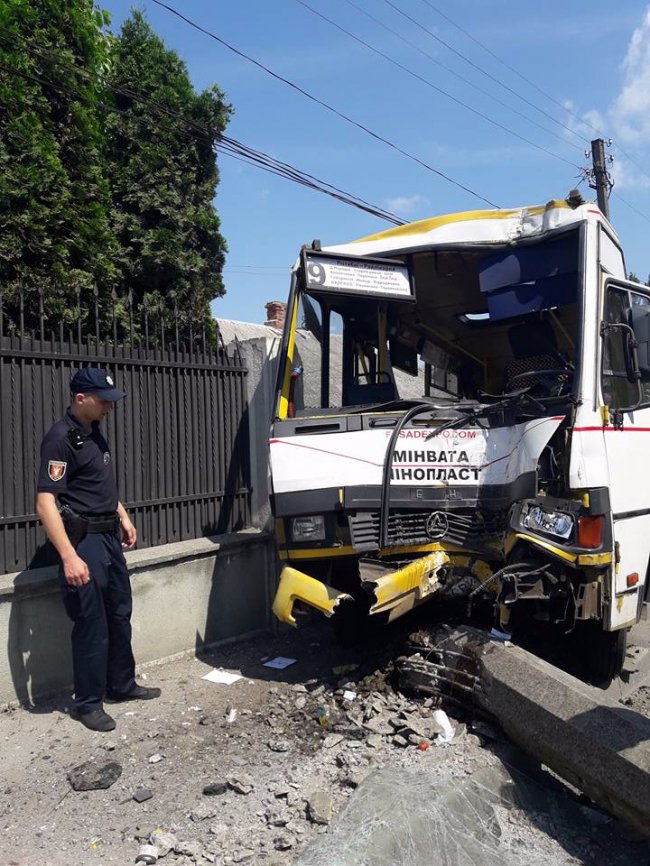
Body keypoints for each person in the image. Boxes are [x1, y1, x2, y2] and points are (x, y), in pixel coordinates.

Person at [36, 368, 160, 732]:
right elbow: (46, 503)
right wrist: (69, 556)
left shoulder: (94, 432)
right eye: (104, 400)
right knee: (91, 622)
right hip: (84, 542)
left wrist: (122, 515)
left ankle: (121, 685)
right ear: (80, 398)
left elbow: (97, 484)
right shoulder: (60, 439)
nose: (110, 406)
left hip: (108, 537)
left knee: (119, 612)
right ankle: (88, 703)